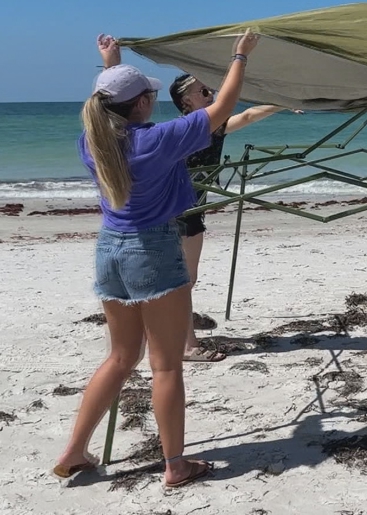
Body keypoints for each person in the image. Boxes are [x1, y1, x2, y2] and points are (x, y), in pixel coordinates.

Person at [52, 30, 259, 487]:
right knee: (165, 366)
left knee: (120, 357)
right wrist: (240, 56)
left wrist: (111, 63)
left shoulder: (92, 141)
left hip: (111, 249)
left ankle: (74, 449)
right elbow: (221, 109)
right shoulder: (158, 140)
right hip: (153, 250)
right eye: (147, 93)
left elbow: (112, 106)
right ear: (144, 104)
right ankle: (176, 465)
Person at [167, 74, 300, 362]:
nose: (210, 90)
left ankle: (181, 321)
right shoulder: (184, 127)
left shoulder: (212, 127)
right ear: (185, 100)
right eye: (201, 88)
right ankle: (186, 345)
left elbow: (249, 115)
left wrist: (282, 103)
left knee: (188, 278)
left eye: (209, 86)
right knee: (181, 280)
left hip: (193, 209)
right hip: (175, 211)